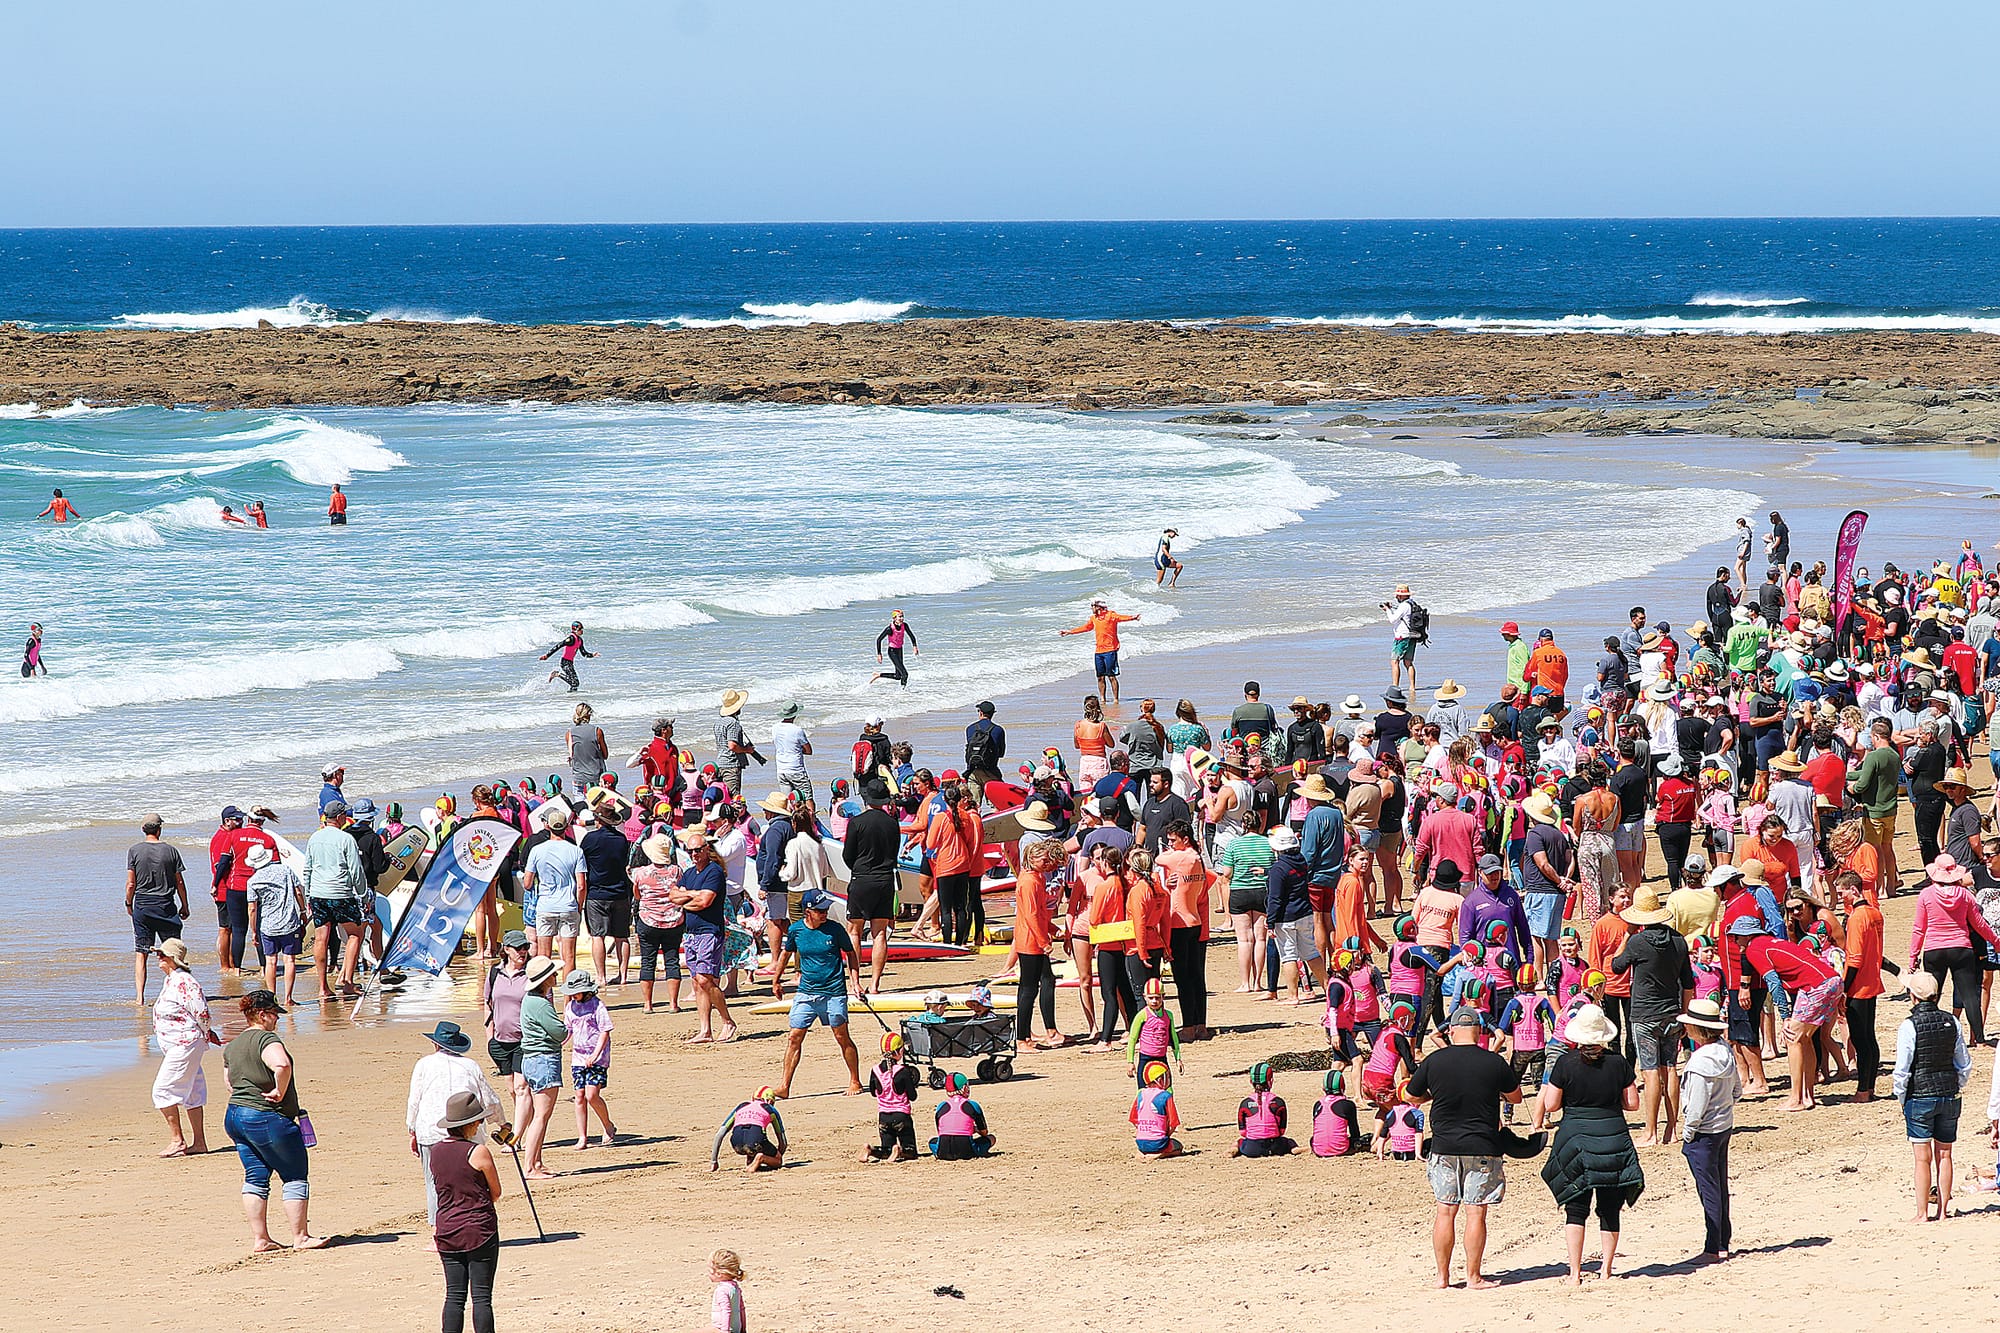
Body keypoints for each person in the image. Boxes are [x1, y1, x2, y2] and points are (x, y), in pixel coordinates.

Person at [1406, 1006, 1523, 1290]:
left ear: (1452, 1030)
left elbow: (1411, 1097)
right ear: (1480, 1032)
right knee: (1475, 1213)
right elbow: (1516, 1097)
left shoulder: (1435, 1061)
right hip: (1482, 1145)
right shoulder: (1493, 1062)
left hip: (1445, 1145)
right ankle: (1473, 1277)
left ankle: (1442, 1277)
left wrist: (1435, 1093)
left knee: (1445, 1211)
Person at [1532, 1002, 1642, 1284]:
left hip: (1576, 1138)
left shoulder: (1564, 1062)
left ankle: (1575, 1272)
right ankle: (1606, 1270)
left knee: (1576, 1208)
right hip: (1613, 1136)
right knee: (1609, 1208)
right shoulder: (1619, 1063)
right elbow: (1632, 1104)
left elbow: (1552, 1105)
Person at [222, 990, 323, 1253]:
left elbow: (229, 1083)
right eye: (275, 1014)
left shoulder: (233, 1045)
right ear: (262, 1014)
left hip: (235, 1116)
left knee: (255, 1175)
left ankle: (261, 1238)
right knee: (294, 1175)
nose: (277, 1019)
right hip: (266, 1117)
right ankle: (300, 1237)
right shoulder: (267, 1039)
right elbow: (282, 1065)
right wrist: (279, 1091)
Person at [1611, 887, 1695, 1146]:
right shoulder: (1679, 940)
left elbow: (1616, 966)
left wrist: (1626, 935)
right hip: (1671, 1012)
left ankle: (1651, 1131)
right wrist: (1683, 1014)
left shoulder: (1638, 941)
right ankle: (1672, 1127)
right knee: (1670, 1068)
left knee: (1649, 1072)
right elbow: (1688, 984)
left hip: (1645, 1013)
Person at [406, 1021, 506, 1232]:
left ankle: (438, 1231)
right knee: (472, 1180)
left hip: (431, 1130)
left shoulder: (423, 1064)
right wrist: (502, 1123)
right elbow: (489, 1099)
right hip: (467, 1129)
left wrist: (412, 1130)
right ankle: (474, 1224)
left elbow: (414, 1100)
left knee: (434, 1183)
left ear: (436, 1045)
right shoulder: (470, 1066)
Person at [1895, 971, 1971, 1222]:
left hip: (1920, 1095)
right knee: (1945, 1154)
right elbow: (1963, 1063)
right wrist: (1955, 1085)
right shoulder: (1953, 1021)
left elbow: (1903, 1069)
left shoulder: (1909, 1025)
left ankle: (1921, 1212)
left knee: (1922, 1158)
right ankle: (1943, 1211)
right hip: (1949, 1093)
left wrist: (1901, 1097)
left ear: (1913, 996)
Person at [772, 889, 863, 1096]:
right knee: (794, 1036)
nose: (825, 914)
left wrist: (855, 982)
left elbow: (851, 954)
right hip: (806, 992)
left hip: (834, 992)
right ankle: (785, 1086)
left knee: (841, 1036)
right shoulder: (796, 931)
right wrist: (776, 980)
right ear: (808, 911)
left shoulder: (835, 930)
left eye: (826, 910)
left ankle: (855, 1080)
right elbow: (786, 954)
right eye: (820, 910)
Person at [431, 1090, 504, 1333]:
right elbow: (496, 1191)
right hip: (478, 1229)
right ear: (470, 1123)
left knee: (454, 1296)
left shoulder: (436, 1151)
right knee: (482, 1297)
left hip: (447, 1228)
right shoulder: (478, 1151)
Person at [1909, 854, 1998, 1045]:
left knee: (1930, 995)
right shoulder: (1965, 895)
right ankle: (1979, 1038)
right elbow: (1979, 924)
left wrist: (1913, 957)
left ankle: (1929, 1035)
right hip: (1961, 948)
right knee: (1969, 995)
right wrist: (1996, 942)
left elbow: (1919, 928)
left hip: (1934, 950)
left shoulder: (1926, 894)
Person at [1677, 997, 1741, 1263]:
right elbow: (1737, 1090)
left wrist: (1688, 1132)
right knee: (1719, 1186)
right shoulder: (1725, 1052)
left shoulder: (1699, 1063)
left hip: (1704, 1132)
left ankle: (1713, 1246)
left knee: (1708, 1190)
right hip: (1723, 1126)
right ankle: (1722, 1241)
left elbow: (1696, 1107)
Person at [149, 939, 219, 1157]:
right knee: (192, 1091)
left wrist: (207, 1032)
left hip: (185, 1042)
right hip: (180, 1044)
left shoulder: (184, 981)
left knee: (162, 1091)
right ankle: (199, 1143)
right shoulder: (171, 980)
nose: (158, 958)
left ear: (173, 959)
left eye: (162, 955)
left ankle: (177, 1140)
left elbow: (201, 1011)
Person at [669, 826, 737, 1043]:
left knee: (705, 979)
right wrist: (691, 895)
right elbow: (673, 895)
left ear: (706, 849)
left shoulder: (714, 872)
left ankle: (727, 1020)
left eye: (697, 850)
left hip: (710, 931)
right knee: (697, 982)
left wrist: (686, 899)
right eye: (690, 851)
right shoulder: (689, 873)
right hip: (691, 932)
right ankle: (705, 1029)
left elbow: (705, 901)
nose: (694, 855)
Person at [304, 801, 367, 1000]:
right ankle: (347, 981)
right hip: (340, 893)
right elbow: (356, 870)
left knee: (321, 938)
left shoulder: (314, 838)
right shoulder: (346, 838)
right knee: (355, 934)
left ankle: (323, 987)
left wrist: (308, 894)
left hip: (318, 894)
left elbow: (308, 869)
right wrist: (363, 894)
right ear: (340, 817)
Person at [126, 814, 190, 1005]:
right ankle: (177, 994)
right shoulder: (171, 851)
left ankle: (140, 998)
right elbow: (179, 881)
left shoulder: (134, 851)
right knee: (172, 954)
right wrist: (185, 905)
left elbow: (131, 883)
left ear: (143, 829)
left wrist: (129, 903)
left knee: (141, 953)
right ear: (159, 829)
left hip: (143, 906)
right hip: (166, 906)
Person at [515, 955, 565, 1179]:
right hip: (543, 1059)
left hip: (532, 1059)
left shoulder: (530, 999)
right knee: (541, 1116)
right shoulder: (541, 1003)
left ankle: (536, 1161)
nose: (556, 976)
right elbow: (560, 1032)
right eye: (553, 974)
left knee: (539, 1114)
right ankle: (530, 1166)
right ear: (544, 980)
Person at [482, 931, 534, 1134]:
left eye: (526, 947)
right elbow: (487, 1005)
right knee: (513, 1089)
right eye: (518, 948)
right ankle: (530, 1125)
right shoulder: (494, 973)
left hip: (525, 1041)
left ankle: (518, 1137)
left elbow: (544, 1004)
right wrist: (489, 1037)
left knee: (522, 1088)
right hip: (500, 1041)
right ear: (506, 950)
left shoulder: (532, 973)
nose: (523, 951)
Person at [524, 807, 585, 974]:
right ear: (566, 827)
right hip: (568, 905)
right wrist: (578, 907)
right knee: (569, 957)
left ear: (548, 827)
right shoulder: (576, 850)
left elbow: (527, 883)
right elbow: (581, 885)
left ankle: (546, 997)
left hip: (545, 906)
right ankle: (569, 999)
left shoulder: (537, 850)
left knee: (544, 957)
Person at [245, 843, 307, 1006]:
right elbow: (298, 891)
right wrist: (303, 911)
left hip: (267, 925)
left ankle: (272, 998)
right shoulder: (285, 870)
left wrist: (253, 930)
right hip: (289, 922)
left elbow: (252, 908)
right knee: (290, 961)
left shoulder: (253, 881)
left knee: (270, 962)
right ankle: (288, 998)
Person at [563, 970, 617, 1148]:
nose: (573, 995)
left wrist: (595, 1054)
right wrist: (559, 1044)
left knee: (592, 1095)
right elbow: (568, 1030)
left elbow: (605, 1031)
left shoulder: (597, 1005)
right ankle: (582, 1137)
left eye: (576, 992)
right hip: (578, 1058)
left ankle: (608, 1125)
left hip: (597, 1058)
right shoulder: (570, 1007)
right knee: (579, 1096)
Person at [1059, 598, 1140, 703]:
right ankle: (1103, 699)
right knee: (1100, 677)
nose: (1091, 608)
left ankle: (1115, 699)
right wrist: (1070, 632)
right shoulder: (1093, 618)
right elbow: (1085, 628)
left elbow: (1121, 618)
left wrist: (1133, 618)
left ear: (1098, 607)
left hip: (1110, 650)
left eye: (1092, 606)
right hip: (1098, 652)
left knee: (1111, 676)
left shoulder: (1111, 615)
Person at [711, 1086, 788, 1172]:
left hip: (736, 1142)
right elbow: (783, 1142)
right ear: (770, 1101)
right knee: (777, 1160)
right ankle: (760, 1159)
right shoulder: (770, 1109)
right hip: (755, 1141)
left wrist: (714, 1162)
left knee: (750, 1140)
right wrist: (776, 1156)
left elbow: (719, 1135)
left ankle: (750, 1162)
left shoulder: (741, 1106)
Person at [1232, 1062, 1297, 1157]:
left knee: (1239, 1141)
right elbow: (1282, 1131)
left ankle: (1232, 1150)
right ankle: (1295, 1149)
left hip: (1252, 1148)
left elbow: (1243, 1132)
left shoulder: (1245, 1103)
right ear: (1271, 1081)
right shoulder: (1279, 1102)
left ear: (1251, 1081)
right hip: (1276, 1147)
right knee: (1289, 1141)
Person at [931, 1071, 996, 1159]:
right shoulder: (973, 1105)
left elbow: (940, 1132)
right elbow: (984, 1132)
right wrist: (975, 1130)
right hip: (967, 1151)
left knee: (932, 1141)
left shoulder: (941, 1106)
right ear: (965, 1087)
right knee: (991, 1138)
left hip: (943, 1151)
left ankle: (939, 1153)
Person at [1130, 1061, 1183, 1159]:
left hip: (1140, 1142)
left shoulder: (1140, 1094)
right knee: (1178, 1147)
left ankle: (1142, 1153)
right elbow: (1173, 1124)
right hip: (1158, 1142)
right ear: (1160, 1079)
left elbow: (1134, 1119)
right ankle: (1161, 1153)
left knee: (1149, 1144)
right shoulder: (1165, 1096)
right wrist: (1165, 1136)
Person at [1384, 583, 1421, 692]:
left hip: (1402, 636)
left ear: (1403, 596)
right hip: (1412, 635)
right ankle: (1412, 687)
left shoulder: (1404, 605)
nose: (1396, 597)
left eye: (1398, 595)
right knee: (1408, 662)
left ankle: (1395, 686)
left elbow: (1393, 620)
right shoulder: (1412, 604)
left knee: (1394, 661)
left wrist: (1387, 610)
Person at [540, 621, 595, 692]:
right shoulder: (571, 639)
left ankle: (571, 697)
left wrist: (592, 655)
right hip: (565, 663)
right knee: (575, 683)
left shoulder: (580, 640)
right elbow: (558, 645)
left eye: (582, 629)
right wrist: (547, 655)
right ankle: (556, 674)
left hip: (570, 663)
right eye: (580, 629)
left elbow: (584, 653)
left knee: (574, 685)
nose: (582, 631)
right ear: (575, 629)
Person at [871, 608, 919, 685]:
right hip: (892, 652)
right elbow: (879, 639)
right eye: (899, 617)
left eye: (902, 616)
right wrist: (879, 654)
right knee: (905, 674)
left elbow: (911, 636)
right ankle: (903, 692)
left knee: (898, 676)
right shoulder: (889, 629)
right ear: (894, 618)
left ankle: (878, 675)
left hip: (900, 650)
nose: (902, 618)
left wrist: (914, 646)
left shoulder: (905, 625)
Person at [710, 1249, 749, 1333]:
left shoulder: (722, 1291)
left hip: (722, 1328)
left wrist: (724, 1331)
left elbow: (726, 1311)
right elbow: (741, 1309)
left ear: (719, 1274)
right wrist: (743, 1329)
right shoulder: (735, 1288)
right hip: (736, 1329)